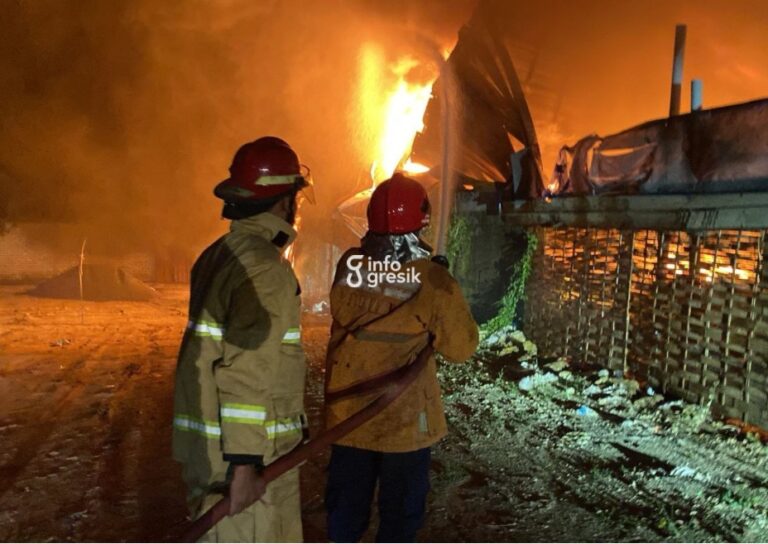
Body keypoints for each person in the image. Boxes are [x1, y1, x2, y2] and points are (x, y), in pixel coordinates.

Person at [324, 172, 479, 542]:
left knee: (344, 516)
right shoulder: (433, 283)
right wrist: (440, 283)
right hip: (405, 425)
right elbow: (462, 348)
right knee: (399, 520)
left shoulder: (349, 267)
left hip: (348, 418)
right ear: (422, 220)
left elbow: (377, 282)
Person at [172, 136, 312, 542]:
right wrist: (246, 465)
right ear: (286, 200)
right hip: (249, 457)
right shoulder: (265, 268)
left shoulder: (218, 254)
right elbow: (245, 369)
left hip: (209, 445)